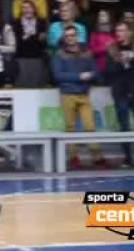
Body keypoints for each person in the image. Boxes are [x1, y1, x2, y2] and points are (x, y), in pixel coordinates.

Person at [51, 25, 107, 169]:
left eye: (72, 35)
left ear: (77, 36)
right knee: (70, 127)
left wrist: (90, 75)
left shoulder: (87, 52)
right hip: (68, 94)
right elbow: (58, 75)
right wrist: (79, 76)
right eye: (67, 36)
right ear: (64, 38)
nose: (70, 38)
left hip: (84, 94)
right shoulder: (59, 54)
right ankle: (73, 157)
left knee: (90, 126)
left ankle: (97, 156)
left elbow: (95, 71)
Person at [104, 22, 134, 167]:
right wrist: (121, 62)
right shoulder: (111, 49)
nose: (119, 33)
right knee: (124, 126)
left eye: (122, 30)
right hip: (120, 93)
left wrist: (131, 60)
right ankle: (128, 158)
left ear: (129, 32)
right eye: (117, 30)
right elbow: (108, 70)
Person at [12, 0, 48, 87]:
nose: (27, 10)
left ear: (34, 9)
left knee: (37, 85)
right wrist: (36, 37)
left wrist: (27, 37)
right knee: (22, 86)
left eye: (29, 7)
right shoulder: (16, 23)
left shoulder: (41, 22)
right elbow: (19, 42)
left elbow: (43, 43)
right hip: (21, 58)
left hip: (37, 58)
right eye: (24, 8)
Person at [88, 9, 116, 74]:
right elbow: (92, 50)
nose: (101, 17)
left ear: (109, 17)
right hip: (99, 66)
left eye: (103, 15)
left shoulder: (114, 32)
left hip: (114, 65)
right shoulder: (94, 33)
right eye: (100, 15)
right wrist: (105, 48)